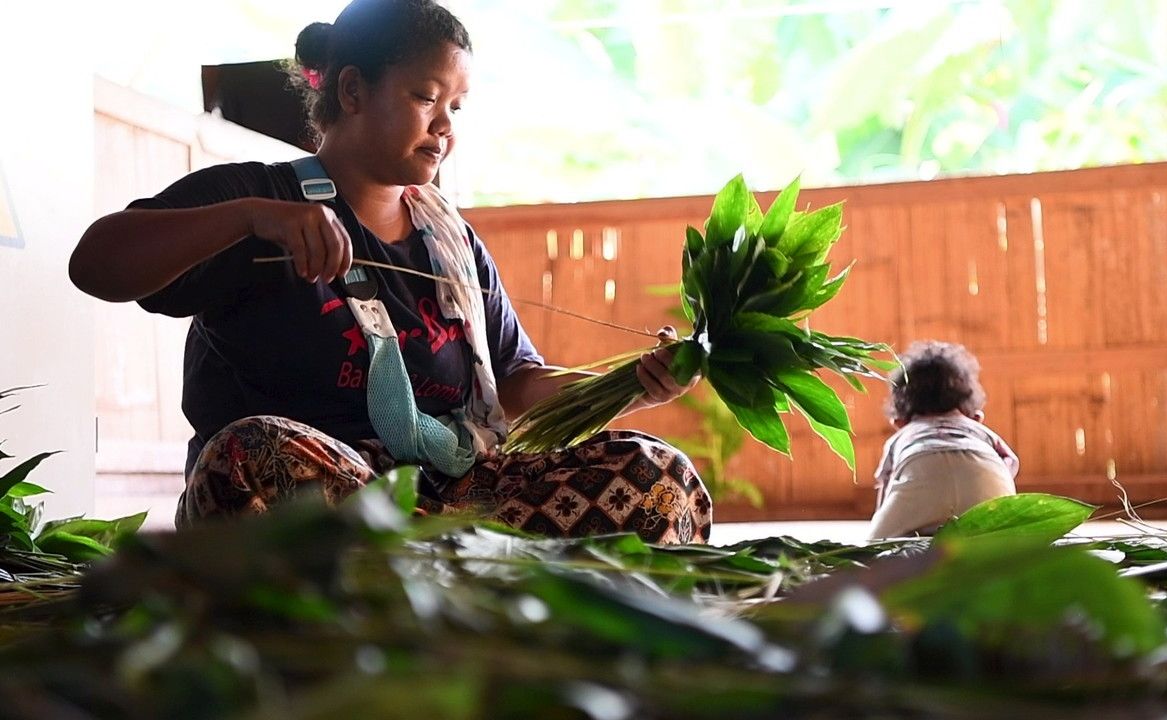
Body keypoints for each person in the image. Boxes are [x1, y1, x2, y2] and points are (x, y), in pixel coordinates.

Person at [68, 0, 711, 544]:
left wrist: (629, 384)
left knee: (657, 476)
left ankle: (442, 583)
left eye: (456, 107)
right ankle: (436, 589)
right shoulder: (258, 200)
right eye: (426, 98)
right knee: (250, 453)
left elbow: (516, 383)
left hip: (455, 502)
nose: (444, 127)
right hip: (326, 498)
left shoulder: (451, 242)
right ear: (352, 91)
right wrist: (249, 219)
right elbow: (95, 263)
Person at [866, 340, 1018, 539]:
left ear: (899, 421)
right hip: (985, 490)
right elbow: (1010, 461)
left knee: (877, 548)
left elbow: (886, 483)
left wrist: (880, 527)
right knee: (1002, 535)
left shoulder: (904, 435)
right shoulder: (979, 431)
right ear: (976, 416)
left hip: (921, 471)